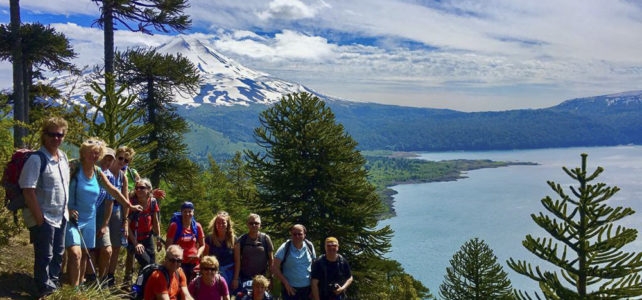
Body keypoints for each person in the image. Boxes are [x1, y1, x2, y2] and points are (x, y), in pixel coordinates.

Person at [65, 138, 142, 289]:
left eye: (96, 153)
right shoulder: (73, 167)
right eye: (91, 152)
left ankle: (79, 286)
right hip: (73, 217)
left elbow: (112, 190)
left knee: (85, 254)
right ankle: (73, 290)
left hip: (90, 218)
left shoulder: (98, 172)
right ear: (84, 152)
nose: (94, 156)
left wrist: (128, 205)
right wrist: (66, 208)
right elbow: (60, 186)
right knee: (75, 254)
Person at [20, 117, 70, 298]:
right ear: (44, 135)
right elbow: (27, 189)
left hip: (61, 215)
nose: (56, 138)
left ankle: (53, 284)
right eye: (52, 134)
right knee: (45, 255)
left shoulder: (63, 157)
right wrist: (39, 218)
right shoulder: (36, 159)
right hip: (45, 215)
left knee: (58, 253)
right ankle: (44, 289)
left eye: (60, 135)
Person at [88, 147, 116, 284]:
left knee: (107, 249)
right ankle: (90, 278)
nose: (108, 162)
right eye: (106, 158)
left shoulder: (110, 176)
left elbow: (110, 201)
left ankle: (103, 279)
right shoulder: (89, 171)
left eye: (111, 160)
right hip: (85, 214)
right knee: (89, 248)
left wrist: (105, 224)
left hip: (100, 216)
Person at [106, 146, 133, 285]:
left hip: (116, 211)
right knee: (103, 245)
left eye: (126, 160)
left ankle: (110, 275)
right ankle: (100, 273)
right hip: (103, 209)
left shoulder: (123, 178)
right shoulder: (106, 171)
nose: (122, 162)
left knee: (116, 245)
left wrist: (125, 220)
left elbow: (126, 200)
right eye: (121, 158)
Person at [272, 224, 316, 300]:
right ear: (291, 235)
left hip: (307, 289)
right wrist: (286, 283)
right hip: (290, 288)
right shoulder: (285, 247)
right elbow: (274, 267)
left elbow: (314, 267)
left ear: (304, 235)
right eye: (294, 234)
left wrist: (313, 287)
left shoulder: (309, 246)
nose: (297, 236)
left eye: (300, 234)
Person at [128, 178, 162, 273]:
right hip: (134, 239)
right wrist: (136, 244)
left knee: (152, 264)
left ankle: (144, 284)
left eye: (142, 188)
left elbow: (155, 222)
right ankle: (138, 284)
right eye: (136, 188)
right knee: (146, 263)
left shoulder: (152, 202)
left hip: (148, 237)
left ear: (149, 190)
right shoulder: (132, 204)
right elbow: (126, 225)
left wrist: (158, 239)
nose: (138, 190)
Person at [233, 213, 274, 292]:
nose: (254, 225)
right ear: (247, 224)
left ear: (260, 225)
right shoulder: (241, 240)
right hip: (245, 277)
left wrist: (271, 278)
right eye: (251, 223)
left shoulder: (265, 239)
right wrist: (236, 278)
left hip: (262, 277)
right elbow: (237, 261)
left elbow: (271, 260)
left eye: (256, 223)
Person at [165, 201, 205, 282]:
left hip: (194, 263)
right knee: (179, 285)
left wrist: (198, 255)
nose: (187, 214)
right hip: (178, 263)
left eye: (190, 211)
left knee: (192, 286)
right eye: (185, 211)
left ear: (193, 212)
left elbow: (202, 245)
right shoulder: (174, 226)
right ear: (181, 212)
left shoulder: (197, 226)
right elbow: (168, 246)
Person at [199, 211, 235, 285]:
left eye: (223, 222)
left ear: (228, 224)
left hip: (229, 273)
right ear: (215, 224)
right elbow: (205, 259)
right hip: (213, 272)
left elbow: (237, 261)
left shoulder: (234, 239)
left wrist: (236, 278)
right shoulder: (209, 239)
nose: (220, 225)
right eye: (218, 223)